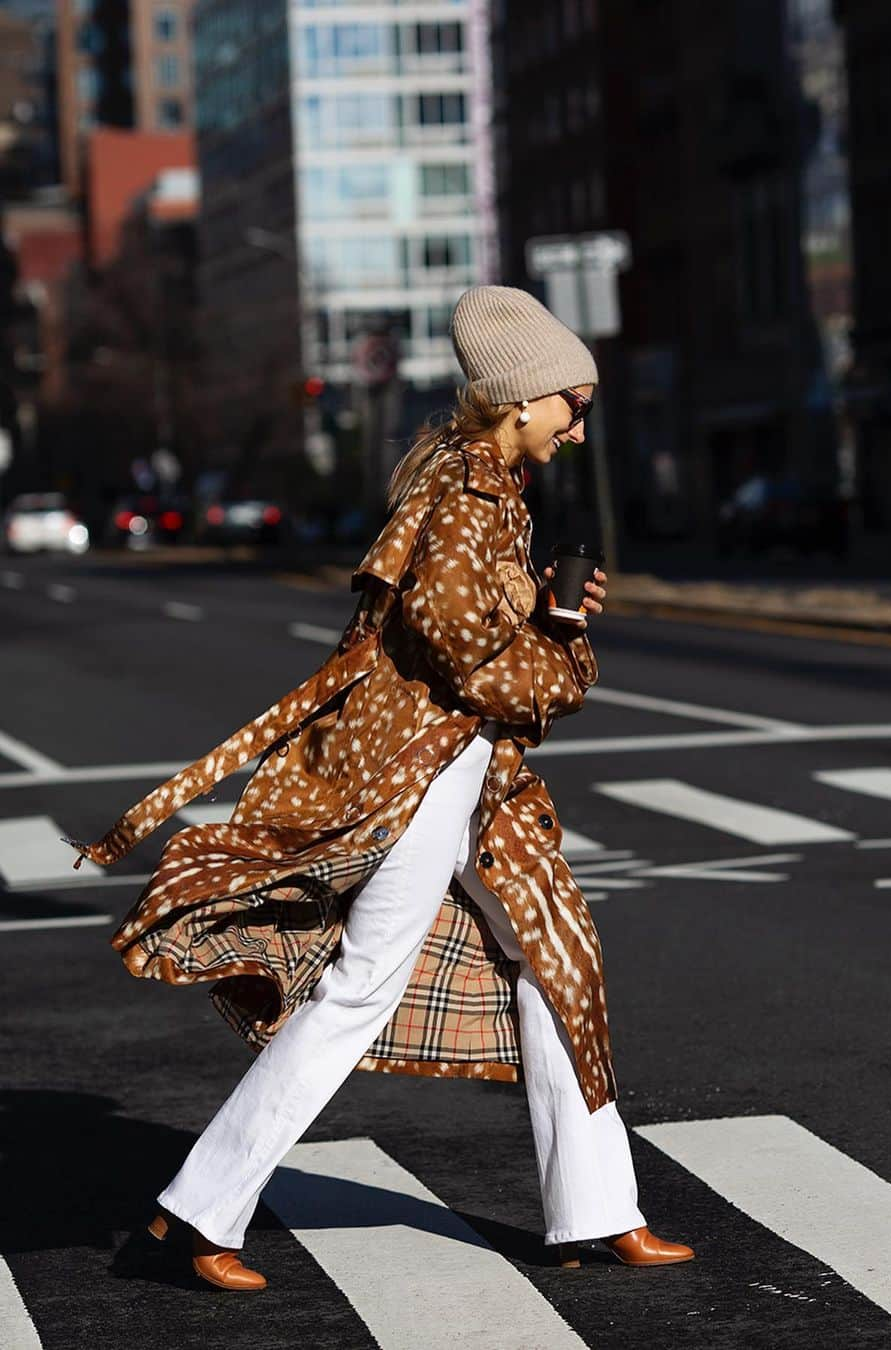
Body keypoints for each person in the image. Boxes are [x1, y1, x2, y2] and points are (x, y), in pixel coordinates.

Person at [67, 285, 694, 1291]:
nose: (579, 426)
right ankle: (196, 1213)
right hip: (421, 767)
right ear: (519, 399)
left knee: (554, 960)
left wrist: (547, 617)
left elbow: (484, 644)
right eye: (572, 405)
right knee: (362, 985)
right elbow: (467, 660)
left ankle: (596, 1210)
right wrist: (565, 645)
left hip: (471, 771)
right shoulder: (460, 501)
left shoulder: (491, 497)